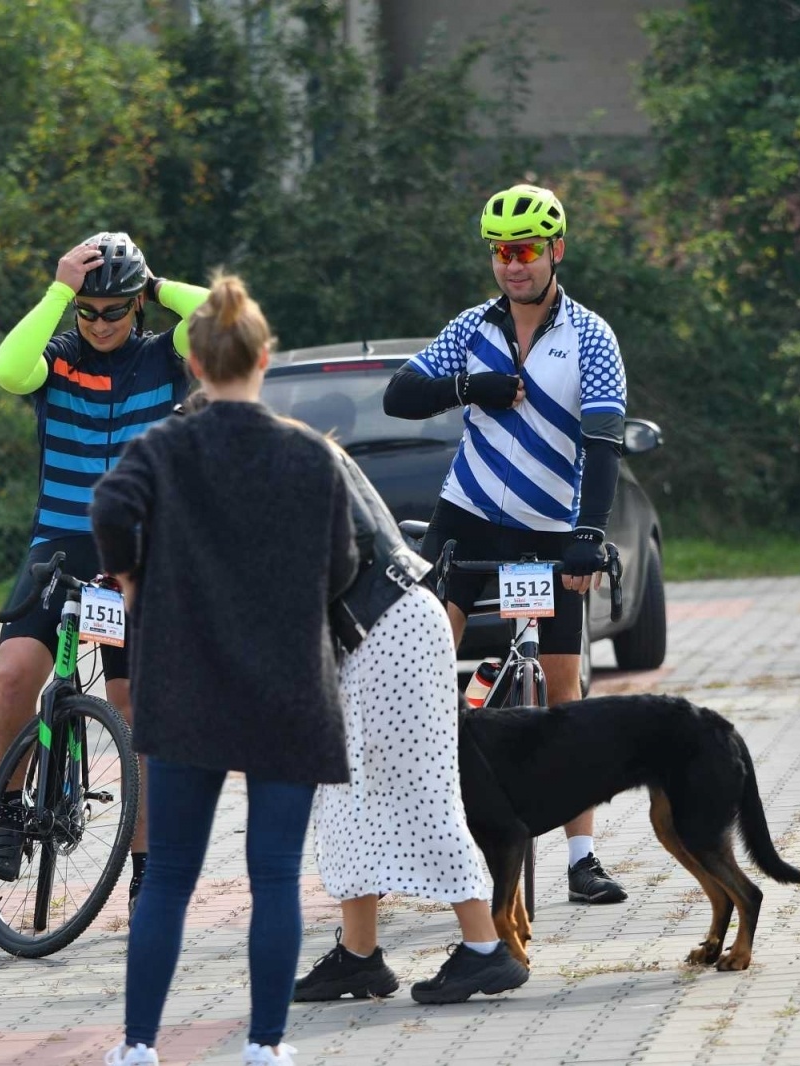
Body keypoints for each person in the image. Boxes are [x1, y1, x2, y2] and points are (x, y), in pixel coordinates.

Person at [92, 274, 357, 1066]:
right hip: (287, 688)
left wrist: (131, 578)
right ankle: (265, 1046)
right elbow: (343, 565)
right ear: (264, 358)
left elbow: (109, 508)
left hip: (185, 683)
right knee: (274, 875)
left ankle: (139, 1045)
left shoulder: (162, 448)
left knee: (170, 873)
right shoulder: (312, 456)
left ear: (197, 365)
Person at [382, 182, 631, 905]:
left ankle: (581, 857)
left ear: (556, 250)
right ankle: (422, 835)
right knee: (424, 668)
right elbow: (401, 395)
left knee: (562, 690)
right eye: (500, 253)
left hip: (552, 527)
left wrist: (588, 534)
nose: (512, 265)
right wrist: (470, 386)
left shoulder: (591, 336)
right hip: (467, 517)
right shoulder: (472, 327)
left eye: (525, 251)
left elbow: (605, 444)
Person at [0, 232, 209, 914]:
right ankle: (9, 809)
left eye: (116, 309)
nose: (103, 323)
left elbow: (227, 314)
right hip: (61, 542)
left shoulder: (161, 358)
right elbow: (6, 370)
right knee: (16, 673)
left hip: (141, 550)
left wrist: (159, 284)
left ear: (136, 308)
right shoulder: (57, 358)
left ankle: (145, 868)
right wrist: (58, 289)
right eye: (89, 310)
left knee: (132, 708)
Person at [291, 428, 531, 1004]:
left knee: (419, 794)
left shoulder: (279, 465)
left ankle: (485, 950)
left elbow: (328, 563)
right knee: (348, 792)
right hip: (382, 629)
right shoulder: (285, 452)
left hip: (387, 630)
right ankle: (359, 955)